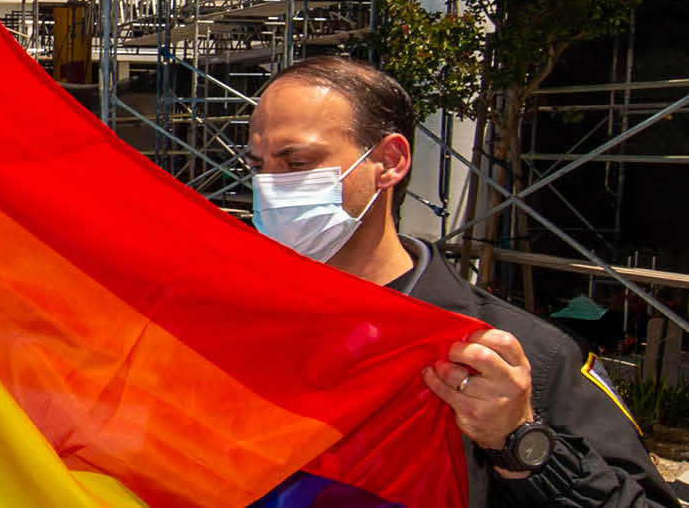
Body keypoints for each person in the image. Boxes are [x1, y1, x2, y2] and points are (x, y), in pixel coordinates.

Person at [247, 55, 677, 507]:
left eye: (296, 164)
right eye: (258, 167)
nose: (270, 189)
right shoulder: (251, 324)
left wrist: (522, 443)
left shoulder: (519, 356)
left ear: (389, 162)